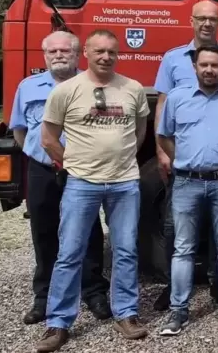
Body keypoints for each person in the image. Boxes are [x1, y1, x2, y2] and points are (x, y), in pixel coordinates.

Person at [36, 30, 150, 352]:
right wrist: (73, 165)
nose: (106, 57)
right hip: (81, 184)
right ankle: (58, 323)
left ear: (118, 55)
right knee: (70, 253)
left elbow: (139, 134)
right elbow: (48, 139)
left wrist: (119, 160)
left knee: (126, 250)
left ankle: (126, 314)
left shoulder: (133, 89)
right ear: (85, 51)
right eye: (99, 51)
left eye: (112, 52)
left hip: (125, 183)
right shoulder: (66, 91)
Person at [11, 31, 110, 326]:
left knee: (90, 231)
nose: (58, 55)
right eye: (52, 51)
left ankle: (93, 291)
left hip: (82, 170)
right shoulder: (28, 87)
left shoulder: (92, 86)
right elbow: (19, 130)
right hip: (42, 170)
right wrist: (40, 156)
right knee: (43, 231)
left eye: (64, 51)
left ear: (77, 54)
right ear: (45, 56)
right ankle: (44, 296)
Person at [152, 0, 218, 310]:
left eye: (212, 19)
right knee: (174, 232)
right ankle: (173, 291)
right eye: (201, 18)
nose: (207, 24)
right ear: (191, 21)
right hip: (185, 166)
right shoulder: (172, 58)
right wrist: (166, 154)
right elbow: (163, 106)